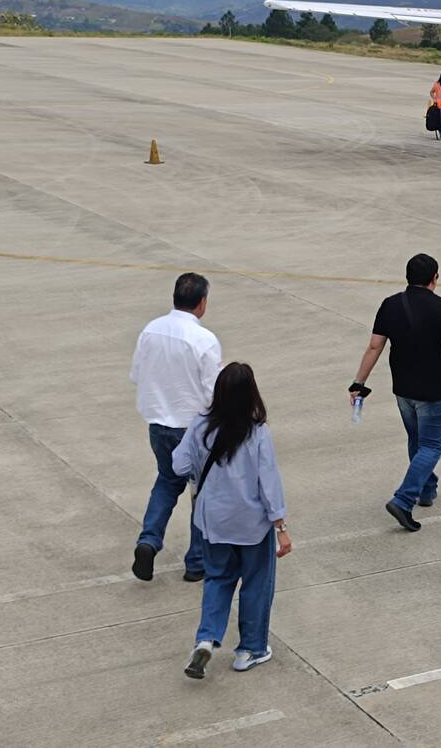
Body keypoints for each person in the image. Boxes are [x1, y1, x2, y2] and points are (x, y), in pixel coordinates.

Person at [173, 362, 291, 679]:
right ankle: (249, 649)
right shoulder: (257, 432)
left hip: (213, 521)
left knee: (217, 580)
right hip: (252, 524)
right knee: (255, 584)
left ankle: (206, 639)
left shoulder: (200, 426)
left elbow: (178, 464)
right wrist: (280, 526)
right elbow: (269, 483)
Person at [350, 254, 441, 531]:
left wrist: (358, 383)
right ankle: (404, 499)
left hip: (402, 388)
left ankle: (427, 489)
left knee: (416, 439)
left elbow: (374, 346)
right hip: (433, 389)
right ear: (434, 278)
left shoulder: (390, 305)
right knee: (432, 445)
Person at [129, 273, 222, 583]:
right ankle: (196, 562)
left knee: (167, 481)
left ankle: (149, 540)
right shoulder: (204, 339)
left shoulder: (150, 330)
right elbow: (213, 392)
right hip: (192, 428)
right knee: (202, 491)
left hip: (158, 423)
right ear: (202, 303)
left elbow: (136, 374)